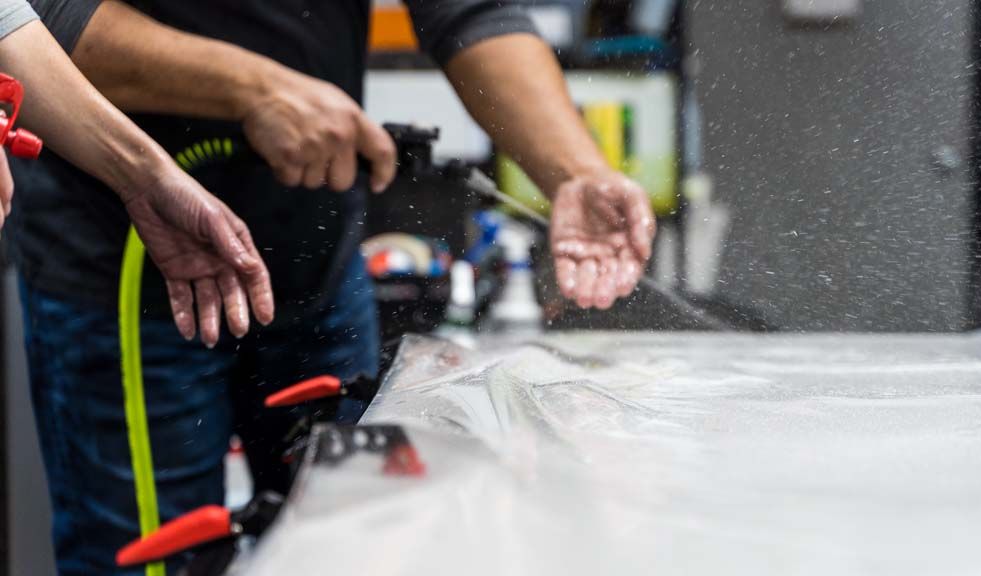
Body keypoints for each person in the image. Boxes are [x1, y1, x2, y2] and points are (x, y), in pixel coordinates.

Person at [15, 0, 658, 574]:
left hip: (318, 264)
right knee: (161, 562)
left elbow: (468, 10)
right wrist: (253, 87)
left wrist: (574, 172)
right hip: (132, 267)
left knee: (354, 543)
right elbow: (38, 16)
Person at [0, 1, 274, 342]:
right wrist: (264, 91)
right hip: (96, 264)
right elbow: (49, 9)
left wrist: (146, 177)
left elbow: (5, 20)